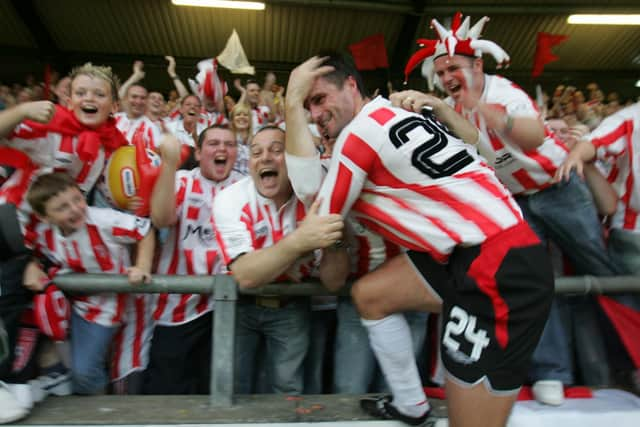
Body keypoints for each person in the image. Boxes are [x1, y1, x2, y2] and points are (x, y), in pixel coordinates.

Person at [288, 53, 553, 427]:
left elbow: (311, 195)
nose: (314, 114)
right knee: (371, 295)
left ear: (351, 86)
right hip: (478, 252)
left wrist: (289, 103)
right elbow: (492, 163)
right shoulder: (405, 113)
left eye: (318, 100)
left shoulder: (359, 133)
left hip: (497, 270)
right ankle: (412, 405)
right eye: (306, 105)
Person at [406, 12, 621, 403]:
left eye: (453, 67)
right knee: (538, 282)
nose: (447, 77)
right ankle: (553, 372)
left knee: (602, 270)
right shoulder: (454, 108)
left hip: (559, 188)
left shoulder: (502, 92)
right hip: (517, 204)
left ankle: (629, 353)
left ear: (477, 65)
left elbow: (535, 135)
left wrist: (480, 107)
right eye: (441, 72)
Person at [213, 126, 348, 395]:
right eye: (256, 152)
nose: (266, 158)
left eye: (277, 150)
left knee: (287, 388)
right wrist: (300, 245)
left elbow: (334, 281)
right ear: (248, 162)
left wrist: (333, 237)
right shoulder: (230, 199)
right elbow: (246, 274)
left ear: (292, 159)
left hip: (292, 306)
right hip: (239, 305)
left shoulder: (315, 196)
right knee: (233, 387)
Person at [24, 172, 155, 395]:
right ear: (44, 217)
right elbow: (40, 255)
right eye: (62, 207)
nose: (75, 209)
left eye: (77, 199)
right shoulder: (44, 235)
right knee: (56, 361)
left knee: (87, 372)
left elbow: (144, 230)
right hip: (77, 308)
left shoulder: (103, 220)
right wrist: (33, 266)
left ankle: (100, 407)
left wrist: (142, 266)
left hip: (111, 308)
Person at [143, 126, 242, 394]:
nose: (222, 149)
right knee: (168, 393)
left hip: (229, 308)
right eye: (213, 144)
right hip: (178, 308)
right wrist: (169, 164)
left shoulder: (246, 187)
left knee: (218, 391)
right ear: (198, 153)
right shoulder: (182, 181)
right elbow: (161, 219)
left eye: (229, 144)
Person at [229, 103, 253, 175]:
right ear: (232, 120)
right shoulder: (227, 141)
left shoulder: (257, 141)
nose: (242, 117)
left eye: (245, 115)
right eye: (238, 114)